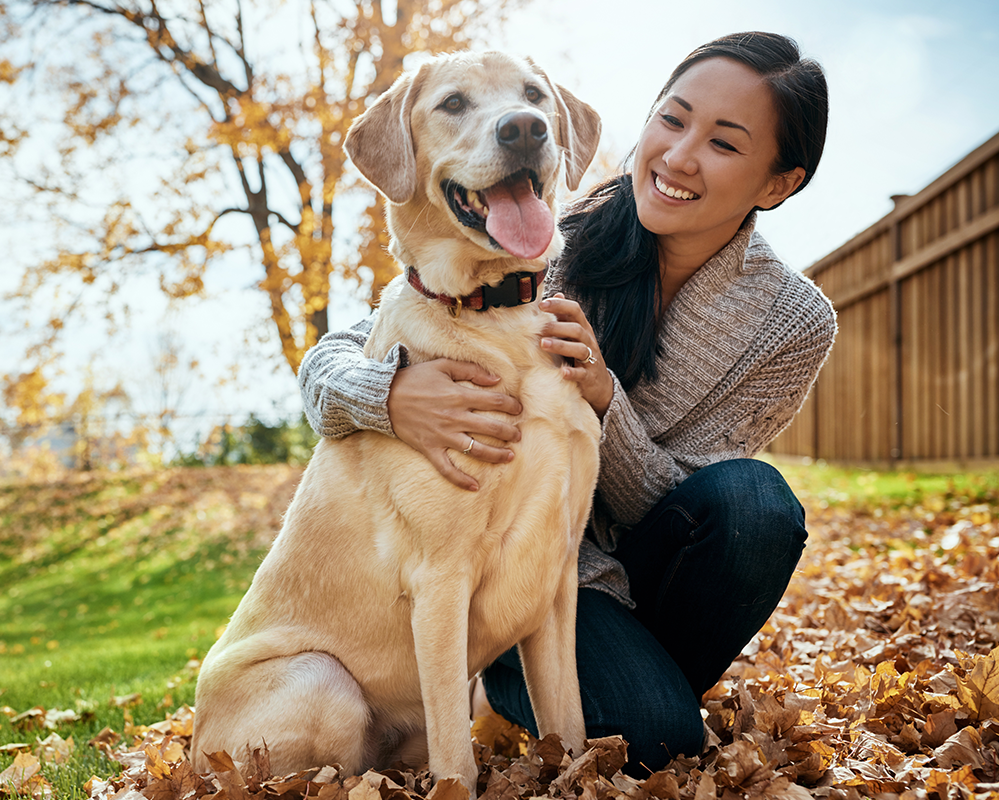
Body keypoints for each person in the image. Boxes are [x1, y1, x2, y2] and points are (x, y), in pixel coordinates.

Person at [298, 31, 836, 773]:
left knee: (757, 504)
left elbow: (691, 502)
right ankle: (618, 695)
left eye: (724, 143)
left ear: (776, 184)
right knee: (652, 740)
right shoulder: (537, 240)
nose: (679, 157)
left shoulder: (791, 321)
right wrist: (388, 391)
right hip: (530, 579)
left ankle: (646, 685)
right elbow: (338, 352)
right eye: (672, 120)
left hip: (652, 558)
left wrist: (602, 399)